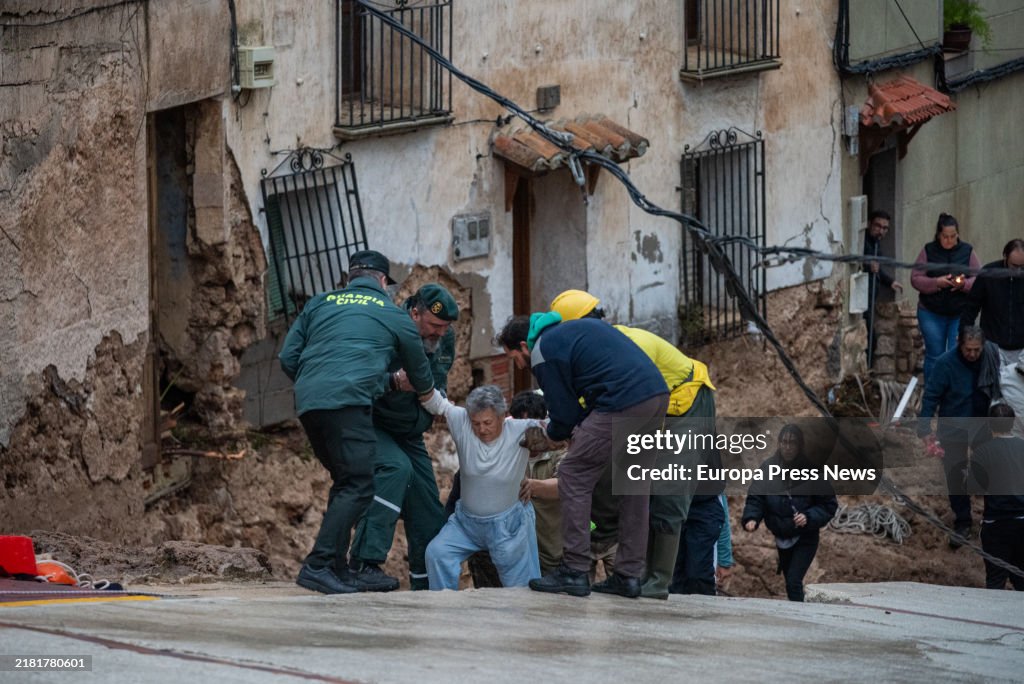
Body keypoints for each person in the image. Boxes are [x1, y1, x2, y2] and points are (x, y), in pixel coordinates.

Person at [279, 250, 441, 595]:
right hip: (349, 402)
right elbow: (419, 373)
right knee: (359, 483)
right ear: (383, 281)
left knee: (346, 481)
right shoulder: (391, 313)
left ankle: (338, 568)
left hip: (309, 402)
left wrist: (315, 383)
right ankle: (319, 565)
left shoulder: (319, 303)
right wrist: (429, 398)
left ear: (350, 277)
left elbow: (287, 356)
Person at [549, 289, 719, 600]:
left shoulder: (626, 344)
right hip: (648, 410)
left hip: (687, 403)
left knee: (668, 489)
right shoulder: (592, 354)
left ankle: (657, 580)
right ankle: (626, 568)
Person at [497, 313, 668, 598]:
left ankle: (575, 570)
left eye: (513, 357)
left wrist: (550, 436)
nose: (518, 365)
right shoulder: (571, 333)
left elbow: (563, 415)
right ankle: (627, 575)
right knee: (634, 485)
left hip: (622, 400)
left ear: (523, 347)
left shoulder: (542, 350)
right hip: (655, 395)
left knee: (573, 474)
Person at [348, 284, 460, 591]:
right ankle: (363, 564)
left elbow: (441, 374)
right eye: (435, 325)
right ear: (414, 313)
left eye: (446, 327)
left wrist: (440, 403)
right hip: (375, 423)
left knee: (427, 508)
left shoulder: (444, 337)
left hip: (411, 432)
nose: (440, 333)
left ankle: (427, 589)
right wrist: (394, 383)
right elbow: (361, 379)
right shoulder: (385, 331)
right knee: (395, 469)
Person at [423, 386, 541, 590]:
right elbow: (434, 402)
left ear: (502, 416)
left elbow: (560, 429)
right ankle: (442, 612)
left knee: (520, 590)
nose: (482, 429)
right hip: (465, 524)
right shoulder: (461, 421)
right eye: (476, 423)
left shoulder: (523, 430)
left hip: (507, 526)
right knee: (437, 553)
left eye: (488, 423)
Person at [741, 425, 838, 602]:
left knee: (793, 581)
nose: (787, 447)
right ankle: (798, 613)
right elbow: (757, 497)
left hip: (805, 537)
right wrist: (752, 517)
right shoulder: (768, 468)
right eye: (784, 442)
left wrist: (808, 516)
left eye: (792, 443)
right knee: (789, 582)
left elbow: (828, 505)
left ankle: (800, 620)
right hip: (782, 536)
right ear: (778, 444)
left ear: (800, 446)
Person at [917, 326, 994, 547]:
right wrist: (924, 429)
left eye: (976, 350)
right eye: (968, 350)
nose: (972, 354)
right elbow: (931, 396)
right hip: (953, 426)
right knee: (955, 475)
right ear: (960, 344)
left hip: (983, 423)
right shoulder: (944, 364)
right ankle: (962, 520)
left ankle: (991, 518)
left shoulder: (990, 358)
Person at [960, 239, 1024, 437]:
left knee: (1019, 400)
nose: (1018, 272)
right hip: (993, 345)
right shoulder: (989, 274)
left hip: (1022, 349)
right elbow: (971, 307)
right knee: (992, 395)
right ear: (1005, 258)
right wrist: (964, 337)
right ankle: (990, 439)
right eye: (1014, 266)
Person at [910, 213, 981, 382]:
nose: (949, 240)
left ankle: (954, 392)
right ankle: (933, 393)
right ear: (938, 235)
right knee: (935, 354)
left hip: (959, 312)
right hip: (931, 312)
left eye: (953, 236)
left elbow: (979, 278)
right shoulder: (928, 251)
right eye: (945, 237)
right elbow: (915, 278)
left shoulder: (967, 251)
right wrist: (937, 283)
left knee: (956, 352)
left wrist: (963, 284)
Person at [966, 403, 1024, 590]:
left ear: (989, 424)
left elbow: (973, 487)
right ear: (1013, 422)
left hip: (996, 525)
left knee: (995, 580)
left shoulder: (982, 452)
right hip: (1022, 523)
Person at [862, 210, 903, 367]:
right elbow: (858, 262)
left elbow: (877, 268)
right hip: (862, 300)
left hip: (870, 299)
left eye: (885, 228)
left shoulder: (876, 244)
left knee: (872, 340)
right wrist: (867, 265)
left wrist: (890, 281)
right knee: (869, 339)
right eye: (878, 226)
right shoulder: (864, 242)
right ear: (869, 224)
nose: (881, 231)